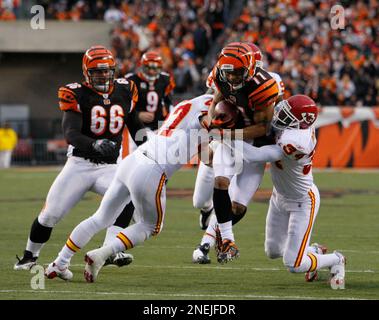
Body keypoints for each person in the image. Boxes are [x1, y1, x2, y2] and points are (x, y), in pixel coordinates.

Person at [44, 94, 214, 282]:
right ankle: (101, 255)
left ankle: (59, 263)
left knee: (100, 217)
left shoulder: (188, 104)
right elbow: (209, 124)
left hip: (133, 159)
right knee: (151, 226)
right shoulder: (212, 108)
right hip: (152, 169)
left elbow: (203, 149)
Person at [14, 45, 146, 271]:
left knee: (128, 196)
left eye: (106, 71)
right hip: (79, 165)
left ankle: (110, 250)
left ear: (113, 70)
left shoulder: (126, 89)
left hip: (109, 167)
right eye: (97, 71)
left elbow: (134, 124)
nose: (103, 75)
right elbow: (71, 133)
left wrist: (148, 147)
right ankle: (29, 257)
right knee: (50, 215)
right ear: (87, 73)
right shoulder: (76, 93)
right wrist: (93, 143)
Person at [217, 95, 346, 289]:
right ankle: (315, 250)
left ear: (301, 123)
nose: (280, 117)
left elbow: (255, 156)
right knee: (273, 251)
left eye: (287, 116)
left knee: (294, 264)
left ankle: (336, 259)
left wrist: (224, 136)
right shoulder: (292, 128)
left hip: (303, 201)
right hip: (279, 197)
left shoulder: (297, 142)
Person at [194, 42, 280, 263]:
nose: (232, 78)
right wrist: (212, 122)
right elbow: (215, 101)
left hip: (255, 143)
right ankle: (223, 242)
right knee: (221, 182)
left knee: (238, 206)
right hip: (230, 137)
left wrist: (226, 134)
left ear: (251, 69)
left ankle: (211, 240)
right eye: (228, 73)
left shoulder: (265, 86)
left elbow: (263, 128)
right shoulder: (221, 76)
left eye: (238, 73)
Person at [125, 51, 176, 132]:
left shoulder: (165, 80)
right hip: (137, 126)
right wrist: (137, 115)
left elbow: (169, 103)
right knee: (141, 143)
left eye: (155, 69)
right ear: (141, 66)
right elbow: (124, 105)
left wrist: (166, 122)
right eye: (148, 68)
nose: (151, 72)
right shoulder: (131, 81)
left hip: (159, 126)